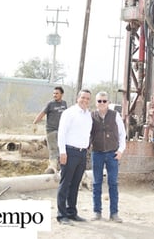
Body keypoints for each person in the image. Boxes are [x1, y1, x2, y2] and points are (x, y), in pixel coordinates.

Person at [56, 89, 92, 226]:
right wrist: (62, 152)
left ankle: (72, 212)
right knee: (65, 183)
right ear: (78, 98)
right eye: (83, 97)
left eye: (88, 98)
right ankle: (61, 215)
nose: (85, 100)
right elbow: (61, 133)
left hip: (82, 153)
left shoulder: (88, 115)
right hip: (69, 152)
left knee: (75, 184)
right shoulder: (69, 113)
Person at [90, 91, 126, 223]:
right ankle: (97, 212)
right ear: (96, 103)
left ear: (108, 102)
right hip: (97, 153)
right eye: (99, 101)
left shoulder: (115, 115)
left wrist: (121, 150)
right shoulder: (91, 116)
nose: (102, 103)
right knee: (96, 183)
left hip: (112, 153)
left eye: (104, 101)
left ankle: (114, 213)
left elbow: (123, 134)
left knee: (113, 183)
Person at [33, 86, 67, 174]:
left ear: (62, 94)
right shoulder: (50, 104)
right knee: (53, 149)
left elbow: (67, 116)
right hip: (51, 130)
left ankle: (60, 167)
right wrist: (35, 122)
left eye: (57, 93)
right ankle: (52, 167)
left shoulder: (64, 104)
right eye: (54, 93)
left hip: (61, 131)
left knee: (61, 149)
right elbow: (42, 113)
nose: (55, 95)